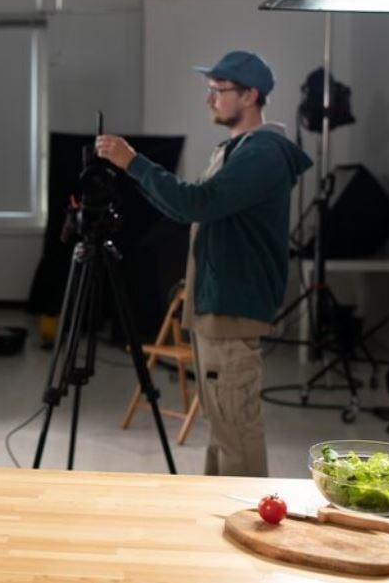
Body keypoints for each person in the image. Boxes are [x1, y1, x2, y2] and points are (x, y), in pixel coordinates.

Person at [95, 51, 312, 477]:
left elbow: (196, 202)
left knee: (236, 427)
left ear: (250, 95)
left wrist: (133, 163)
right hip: (217, 305)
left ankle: (249, 521)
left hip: (233, 308)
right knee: (222, 427)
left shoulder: (262, 153)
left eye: (218, 90)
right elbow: (189, 211)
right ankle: (222, 517)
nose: (209, 99)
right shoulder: (238, 149)